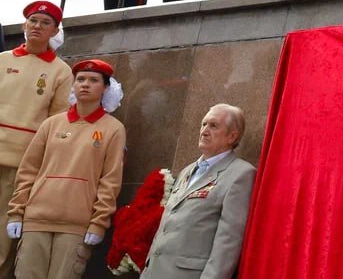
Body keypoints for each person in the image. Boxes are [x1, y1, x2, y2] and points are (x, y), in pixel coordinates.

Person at [7, 59, 125, 279]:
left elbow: (111, 181)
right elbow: (28, 170)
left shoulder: (113, 129)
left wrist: (98, 223)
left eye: (93, 80)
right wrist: (16, 212)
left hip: (76, 226)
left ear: (106, 87)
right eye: (80, 79)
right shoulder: (51, 124)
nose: (85, 84)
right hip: (36, 220)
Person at [140, 104, 255, 279]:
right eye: (203, 124)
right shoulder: (187, 171)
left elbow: (228, 242)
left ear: (232, 136)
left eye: (214, 126)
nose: (204, 131)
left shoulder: (240, 174)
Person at [0, 3, 72, 279]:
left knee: (4, 234)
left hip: (21, 163)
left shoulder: (60, 71)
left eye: (45, 23)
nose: (37, 26)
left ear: (54, 30)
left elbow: (56, 121)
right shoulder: (3, 59)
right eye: (33, 20)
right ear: (24, 26)